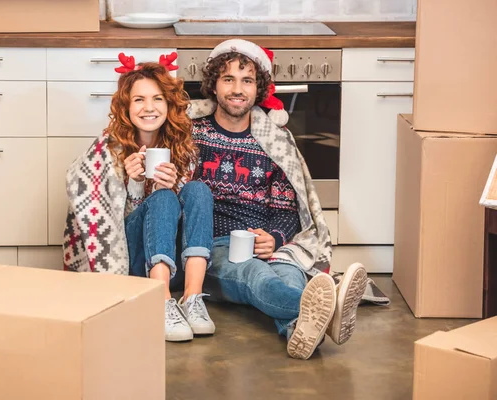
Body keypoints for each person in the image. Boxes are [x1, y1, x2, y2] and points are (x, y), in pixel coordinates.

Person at [188, 39, 369, 359]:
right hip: (213, 246)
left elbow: (288, 207)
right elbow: (183, 197)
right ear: (213, 86)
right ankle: (332, 311)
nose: (237, 89)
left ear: (258, 89)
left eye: (246, 80)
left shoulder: (275, 141)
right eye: (228, 79)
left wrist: (274, 238)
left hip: (265, 241)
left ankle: (300, 329)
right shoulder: (193, 133)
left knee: (288, 273)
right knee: (254, 274)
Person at [65, 54, 215, 342]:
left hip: (175, 262)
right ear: (126, 107)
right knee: (162, 200)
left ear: (169, 105)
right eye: (139, 100)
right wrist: (131, 184)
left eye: (157, 99)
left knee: (197, 190)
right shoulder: (108, 150)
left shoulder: (184, 146)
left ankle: (192, 299)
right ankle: (159, 303)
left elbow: (185, 212)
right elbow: (102, 222)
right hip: (131, 263)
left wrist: (174, 186)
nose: (149, 108)